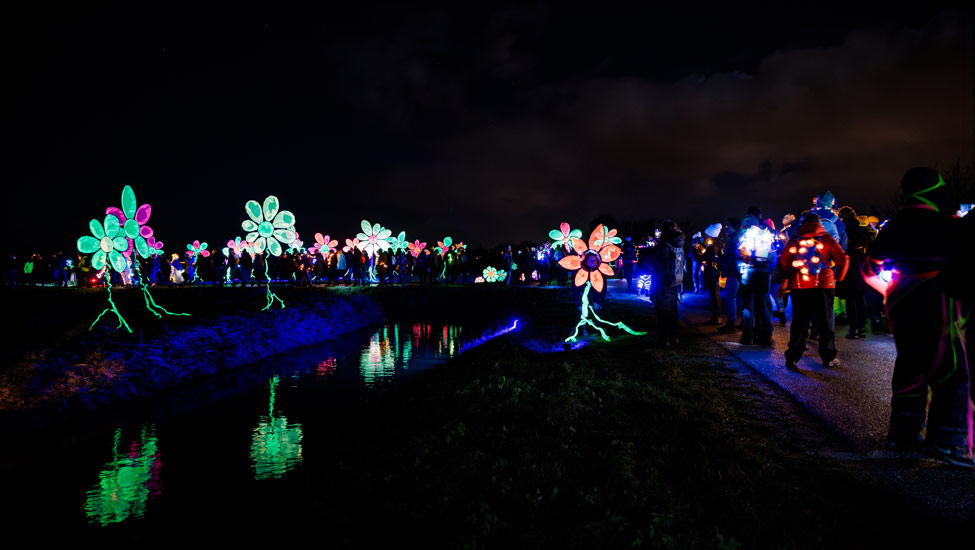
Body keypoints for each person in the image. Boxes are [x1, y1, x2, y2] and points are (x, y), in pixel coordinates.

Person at [862, 167, 972, 467]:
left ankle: (902, 435)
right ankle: (947, 441)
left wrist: (890, 292)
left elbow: (869, 270)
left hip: (901, 301)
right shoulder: (950, 225)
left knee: (911, 367)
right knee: (951, 372)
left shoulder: (894, 225)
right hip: (938, 300)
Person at [779, 212, 848, 369]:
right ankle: (829, 356)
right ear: (819, 224)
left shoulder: (796, 239)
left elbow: (783, 260)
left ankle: (793, 357)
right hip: (824, 284)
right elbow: (842, 258)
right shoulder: (826, 238)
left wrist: (788, 275)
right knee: (825, 322)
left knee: (800, 323)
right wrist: (838, 276)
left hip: (800, 285)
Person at [737, 209, 777, 346]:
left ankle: (748, 337)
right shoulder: (765, 235)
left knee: (748, 306)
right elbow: (772, 256)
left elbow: (741, 255)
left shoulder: (745, 235)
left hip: (749, 273)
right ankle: (766, 336)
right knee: (763, 305)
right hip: (763, 273)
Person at [649, 221, 685, 348]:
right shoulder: (678, 244)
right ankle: (675, 337)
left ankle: (665, 339)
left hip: (662, 281)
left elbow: (655, 262)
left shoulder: (663, 246)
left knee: (662, 310)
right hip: (674, 280)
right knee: (673, 310)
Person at [718, 218, 743, 332]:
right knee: (739, 298)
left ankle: (731, 322)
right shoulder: (737, 237)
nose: (726, 229)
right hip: (738, 272)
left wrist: (722, 259)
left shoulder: (734, 239)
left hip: (734, 272)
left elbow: (733, 256)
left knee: (730, 297)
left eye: (728, 226)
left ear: (733, 226)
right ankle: (745, 322)